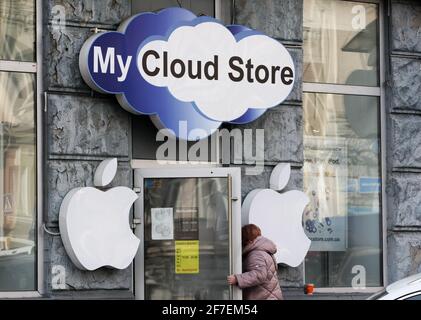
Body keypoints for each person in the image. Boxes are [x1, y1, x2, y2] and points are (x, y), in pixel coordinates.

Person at [227, 224, 283, 300]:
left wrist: (237, 279)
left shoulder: (256, 254)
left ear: (248, 240)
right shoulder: (264, 250)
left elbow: (259, 274)